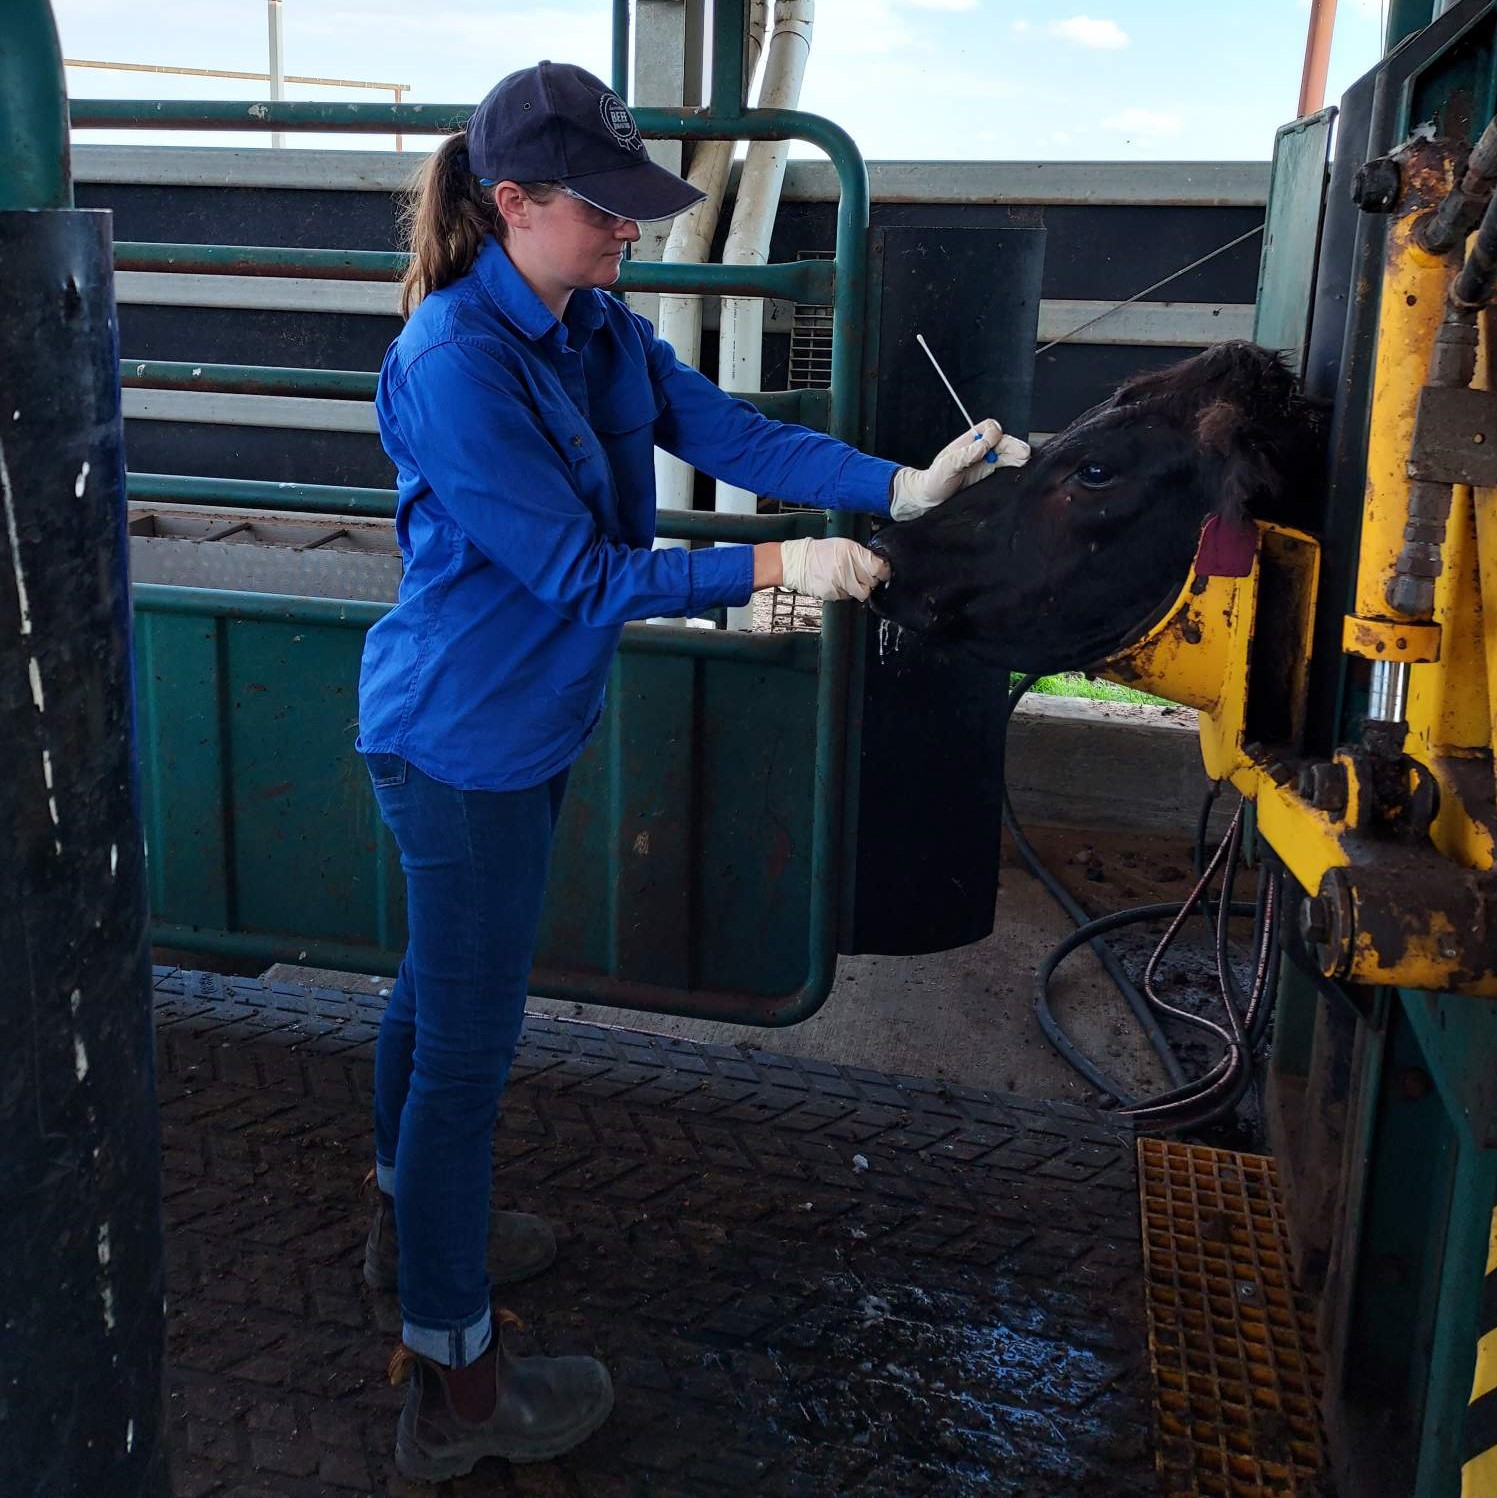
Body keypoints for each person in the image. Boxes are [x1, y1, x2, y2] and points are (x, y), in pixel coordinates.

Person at [357, 59, 1028, 1483]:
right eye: (604, 212)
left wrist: (892, 484)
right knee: (468, 1053)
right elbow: (575, 568)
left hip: (517, 724)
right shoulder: (453, 362)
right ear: (514, 203)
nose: (632, 235)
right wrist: (778, 561)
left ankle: (409, 1223)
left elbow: (725, 430)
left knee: (436, 992)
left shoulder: (588, 324)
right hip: (461, 740)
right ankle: (455, 1384)